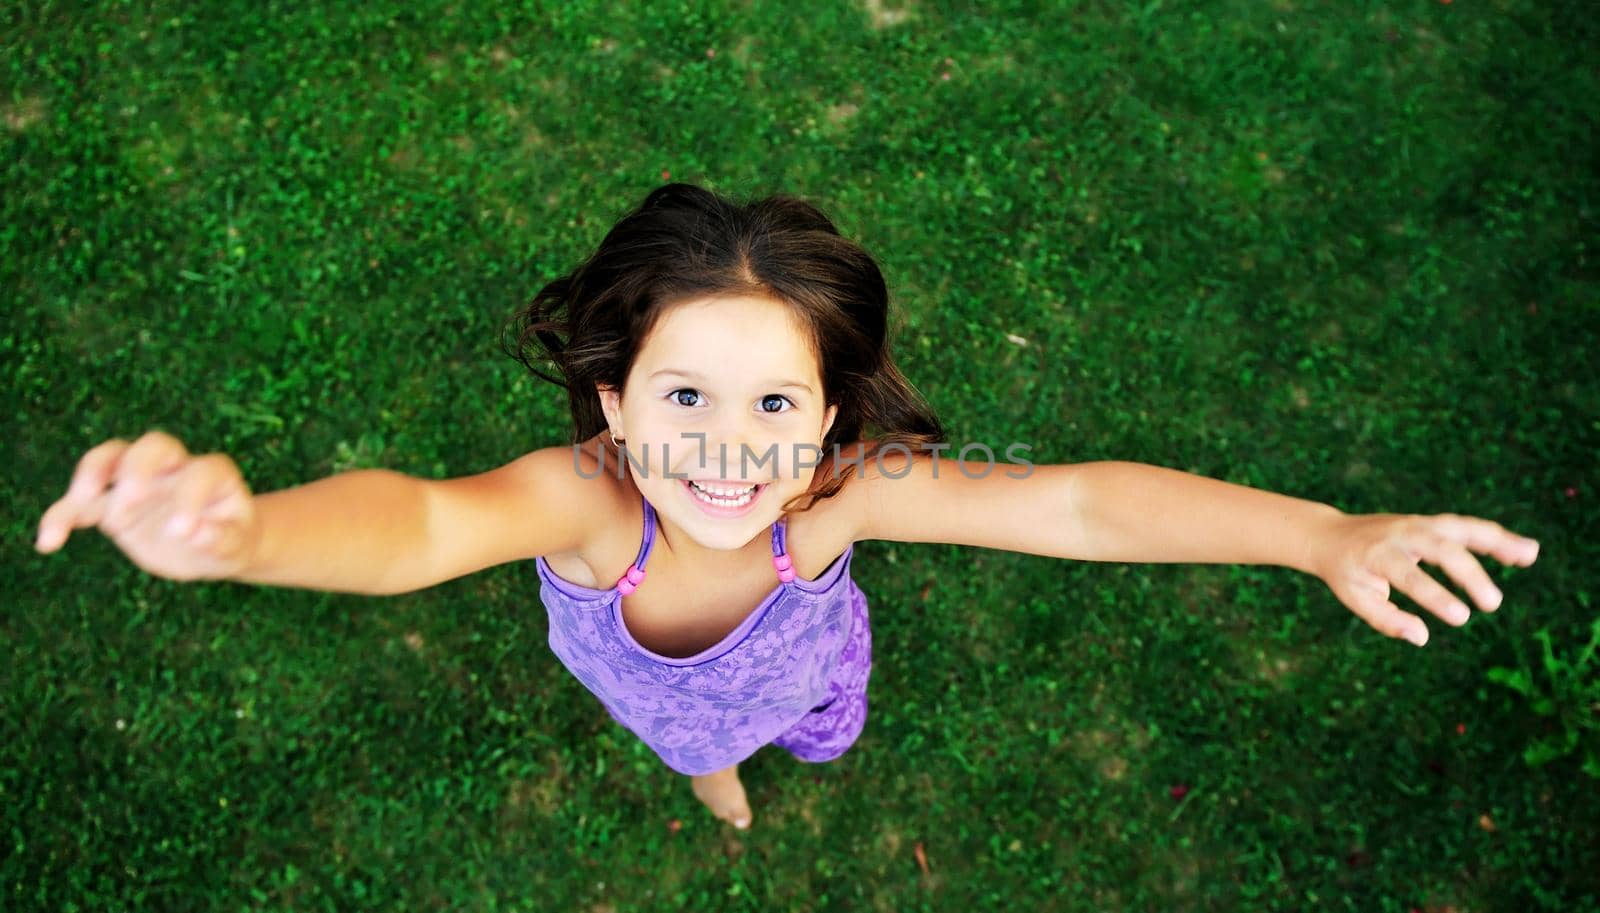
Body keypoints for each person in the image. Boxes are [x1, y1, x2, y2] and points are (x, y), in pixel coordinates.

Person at [33, 182, 1542, 832]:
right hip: (655, 691)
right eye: (685, 396)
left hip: (809, 654)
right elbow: (424, 527)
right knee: (700, 748)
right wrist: (247, 534)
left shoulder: (832, 506)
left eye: (775, 405)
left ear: (828, 417)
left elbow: (1077, 505)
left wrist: (1324, 532)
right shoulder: (586, 503)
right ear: (616, 399)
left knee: (823, 709)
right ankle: (716, 782)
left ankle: (796, 744)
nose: (729, 447)